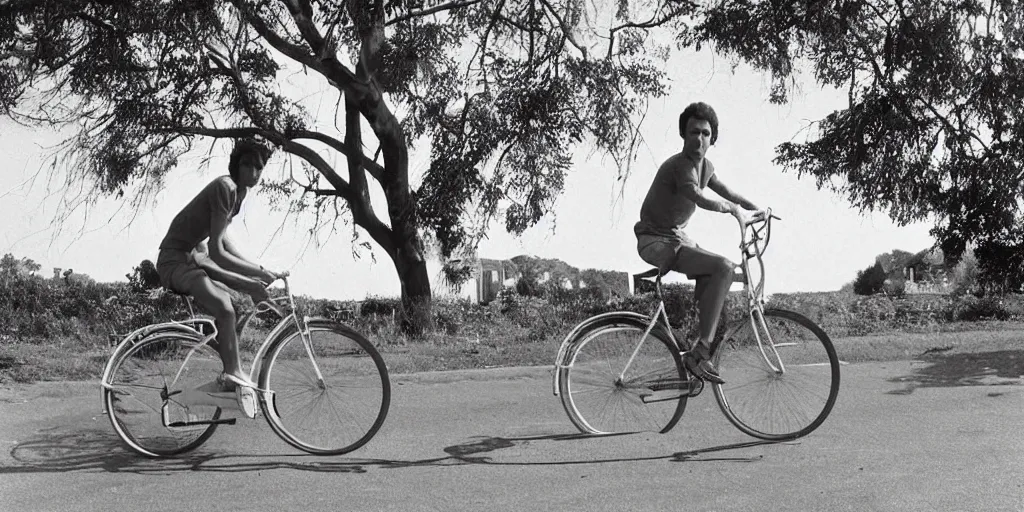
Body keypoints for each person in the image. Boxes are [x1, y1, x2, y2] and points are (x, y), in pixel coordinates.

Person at [155, 138, 285, 418]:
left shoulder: (237, 195)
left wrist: (258, 271)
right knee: (225, 308)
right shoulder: (225, 187)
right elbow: (217, 250)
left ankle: (230, 374)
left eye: (259, 168)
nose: (254, 172)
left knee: (231, 307)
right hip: (175, 260)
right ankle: (233, 374)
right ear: (236, 166)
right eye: (247, 165)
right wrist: (253, 280)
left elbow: (225, 245)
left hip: (194, 256)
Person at [634, 102, 760, 384]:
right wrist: (730, 210)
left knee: (720, 277)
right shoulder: (680, 165)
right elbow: (699, 197)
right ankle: (698, 351)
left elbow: (727, 191)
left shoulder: (706, 166)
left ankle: (697, 349)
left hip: (676, 239)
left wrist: (756, 210)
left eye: (705, 133)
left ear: (712, 138)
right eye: (693, 132)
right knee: (723, 267)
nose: (699, 139)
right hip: (656, 241)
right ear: (684, 135)